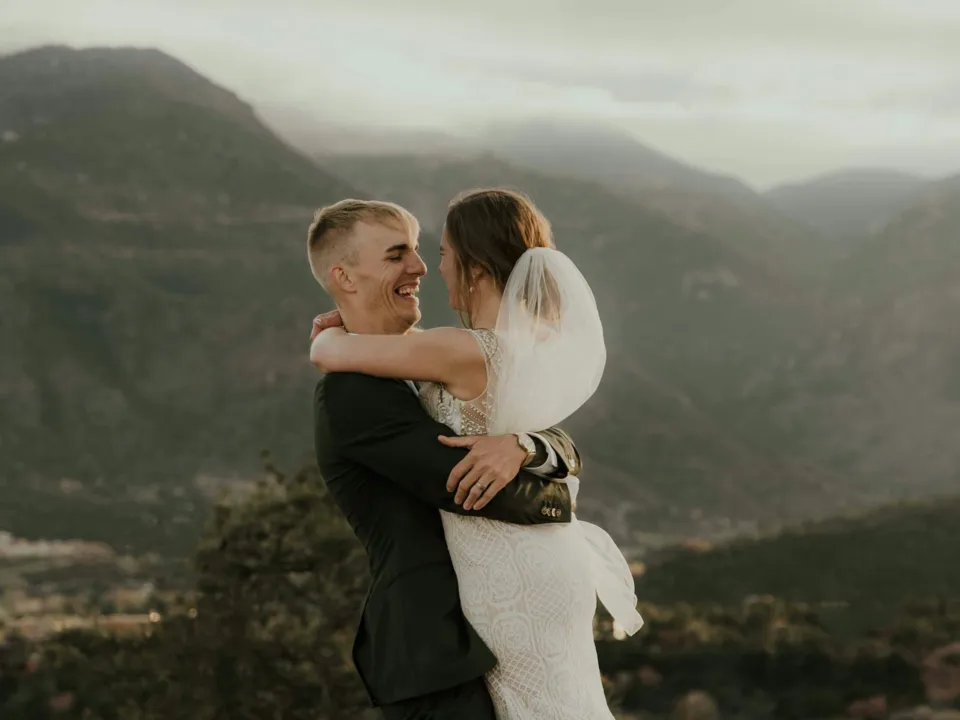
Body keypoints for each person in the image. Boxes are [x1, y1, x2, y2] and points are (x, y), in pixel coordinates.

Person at [310, 189, 643, 719]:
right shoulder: (364, 388)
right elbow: (468, 477)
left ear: (477, 267)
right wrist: (546, 473)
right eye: (398, 254)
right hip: (454, 621)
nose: (425, 267)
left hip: (506, 583)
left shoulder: (448, 351)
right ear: (344, 278)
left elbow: (509, 462)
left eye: (434, 252)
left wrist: (325, 343)